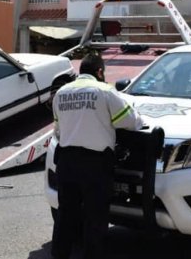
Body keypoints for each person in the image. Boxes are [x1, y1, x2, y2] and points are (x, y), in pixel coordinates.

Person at [51, 53, 144, 259]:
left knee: (66, 215)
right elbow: (130, 121)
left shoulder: (61, 93)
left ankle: (59, 255)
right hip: (94, 164)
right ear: (99, 72)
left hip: (66, 161)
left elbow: (58, 129)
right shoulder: (104, 91)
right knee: (95, 218)